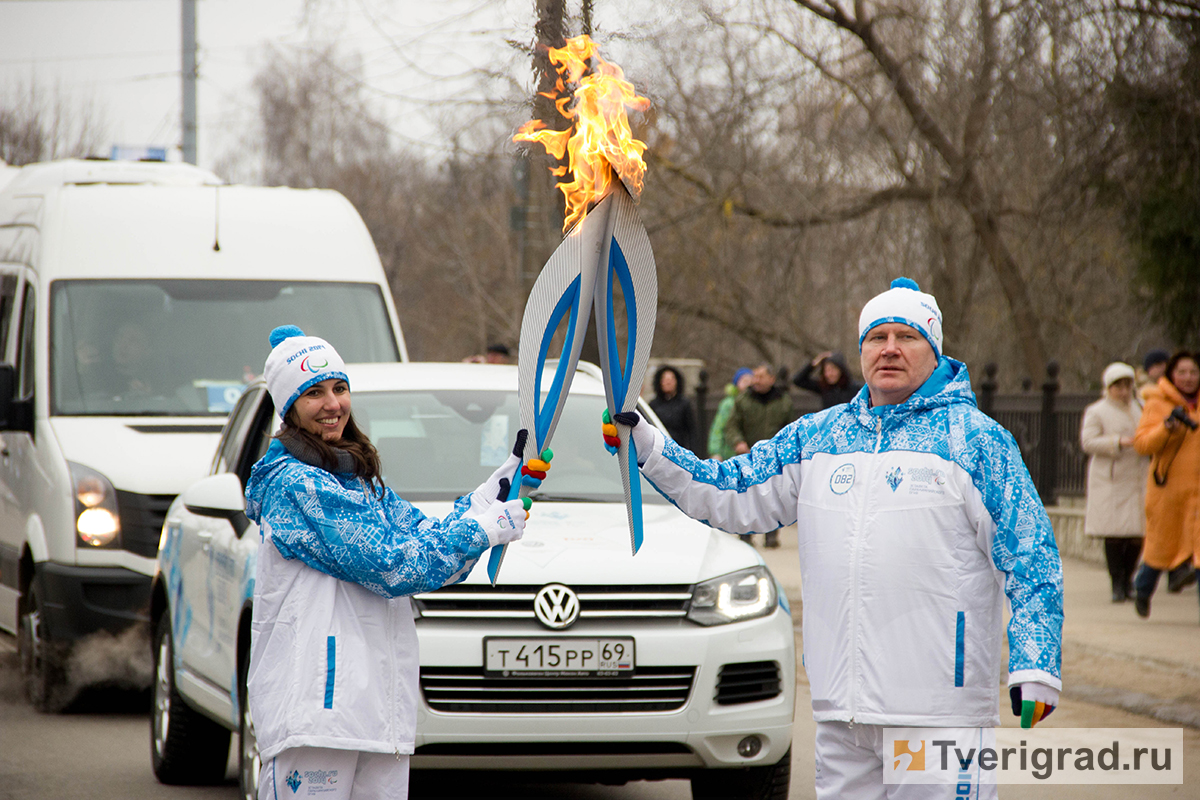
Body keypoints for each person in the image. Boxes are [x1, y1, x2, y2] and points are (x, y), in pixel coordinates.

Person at [603, 278, 1063, 800]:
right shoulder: (819, 435)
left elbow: (1030, 555)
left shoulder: (976, 440)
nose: (889, 348)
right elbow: (728, 492)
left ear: (934, 351)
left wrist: (1036, 662)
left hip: (938, 712)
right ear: (861, 350)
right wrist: (650, 445)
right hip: (841, 712)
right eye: (876, 337)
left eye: (906, 336)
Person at [244, 325, 550, 800]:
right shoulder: (294, 486)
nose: (333, 405)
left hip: (378, 710)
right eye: (314, 394)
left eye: (339, 389)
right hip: (316, 714)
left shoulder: (358, 479)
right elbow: (392, 566)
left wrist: (491, 496)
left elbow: (424, 539)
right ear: (289, 409)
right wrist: (487, 529)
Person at [1132, 350, 1200, 618]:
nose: (1188, 378)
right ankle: (1143, 588)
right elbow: (1142, 444)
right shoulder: (1157, 403)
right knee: (1160, 549)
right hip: (1168, 491)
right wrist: (1166, 428)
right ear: (1172, 374)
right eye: (1182, 372)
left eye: (1193, 372)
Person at [1080, 362, 1148, 602]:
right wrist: (1118, 442)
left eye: (1127, 385)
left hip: (1137, 476)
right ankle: (1117, 583)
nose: (1123, 391)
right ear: (1108, 387)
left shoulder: (1141, 407)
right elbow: (1088, 442)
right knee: (1114, 534)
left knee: (1137, 533)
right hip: (1111, 478)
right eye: (1117, 386)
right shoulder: (1097, 411)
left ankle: (1129, 579)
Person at [725, 363, 794, 547]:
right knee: (746, 495)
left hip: (774, 457)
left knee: (773, 496)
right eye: (755, 376)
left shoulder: (784, 401)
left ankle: (771, 534)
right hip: (748, 455)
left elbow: (790, 428)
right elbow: (731, 425)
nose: (756, 380)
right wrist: (738, 441)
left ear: (772, 379)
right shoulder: (742, 400)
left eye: (761, 376)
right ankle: (746, 534)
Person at [648, 364, 697, 452]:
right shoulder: (653, 405)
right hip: (658, 450)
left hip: (679, 450)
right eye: (665, 380)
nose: (668, 382)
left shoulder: (684, 404)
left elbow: (691, 431)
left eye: (671, 379)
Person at [707, 367, 752, 461]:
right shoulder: (728, 404)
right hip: (728, 453)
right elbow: (718, 428)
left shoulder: (754, 403)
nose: (747, 384)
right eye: (744, 380)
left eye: (750, 380)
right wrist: (715, 451)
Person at [792, 350, 861, 408]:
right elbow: (798, 380)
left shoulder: (854, 388)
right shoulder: (824, 387)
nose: (829, 374)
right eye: (826, 370)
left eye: (833, 370)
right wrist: (813, 364)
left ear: (841, 370)